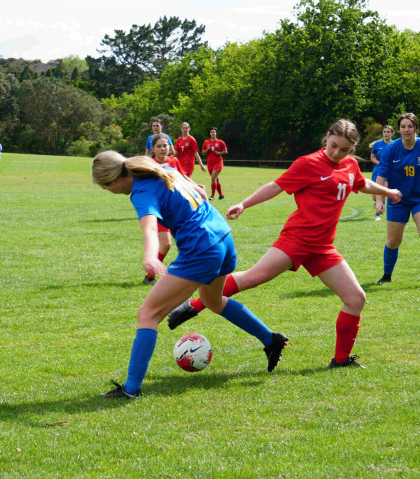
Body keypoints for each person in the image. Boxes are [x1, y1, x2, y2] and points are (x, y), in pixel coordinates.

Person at [168, 119, 402, 369]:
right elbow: (275, 186)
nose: (337, 153)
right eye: (333, 146)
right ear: (327, 137)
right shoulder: (308, 163)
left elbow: (360, 182)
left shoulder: (351, 165)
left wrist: (387, 192)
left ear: (352, 149)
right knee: (253, 278)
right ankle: (194, 304)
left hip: (323, 247)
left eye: (344, 150)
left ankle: (341, 360)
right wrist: (244, 204)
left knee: (356, 298)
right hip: (297, 239)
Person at [92, 151, 289, 398]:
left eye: (104, 187)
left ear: (112, 182)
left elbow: (151, 227)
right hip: (223, 237)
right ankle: (270, 339)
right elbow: (199, 189)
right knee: (212, 301)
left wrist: (151, 256)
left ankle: (131, 390)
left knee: (148, 314)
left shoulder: (141, 190)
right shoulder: (162, 169)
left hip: (201, 248)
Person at [142, 133, 207, 285]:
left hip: (177, 208)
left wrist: (196, 186)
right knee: (166, 244)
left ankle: (188, 274)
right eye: (159, 146)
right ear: (153, 149)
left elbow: (182, 177)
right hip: (160, 209)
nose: (163, 148)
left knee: (187, 241)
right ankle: (151, 275)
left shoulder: (174, 161)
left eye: (165, 145)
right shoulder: (149, 165)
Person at [374, 113, 420, 285]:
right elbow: (381, 176)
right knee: (394, 240)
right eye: (403, 127)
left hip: (418, 199)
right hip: (397, 199)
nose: (406, 130)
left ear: (416, 128)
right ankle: (387, 276)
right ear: (399, 129)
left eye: (410, 126)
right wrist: (379, 201)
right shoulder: (390, 149)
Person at [370, 126, 394, 220]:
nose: (386, 133)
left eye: (388, 132)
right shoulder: (377, 144)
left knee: (383, 191)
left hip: (389, 172)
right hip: (377, 171)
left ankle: (377, 215)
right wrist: (380, 163)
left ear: (392, 133)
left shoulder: (395, 144)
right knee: (374, 196)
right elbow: (372, 157)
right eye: (384, 132)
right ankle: (376, 202)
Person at [202, 127, 227, 201]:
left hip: (218, 162)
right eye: (211, 132)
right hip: (210, 163)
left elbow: (225, 151)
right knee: (216, 179)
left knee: (213, 178)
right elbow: (203, 153)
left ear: (216, 133)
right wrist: (207, 149)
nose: (213, 133)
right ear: (209, 133)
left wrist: (219, 153)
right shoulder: (206, 142)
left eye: (214, 132)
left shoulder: (220, 142)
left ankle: (212, 195)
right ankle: (221, 195)